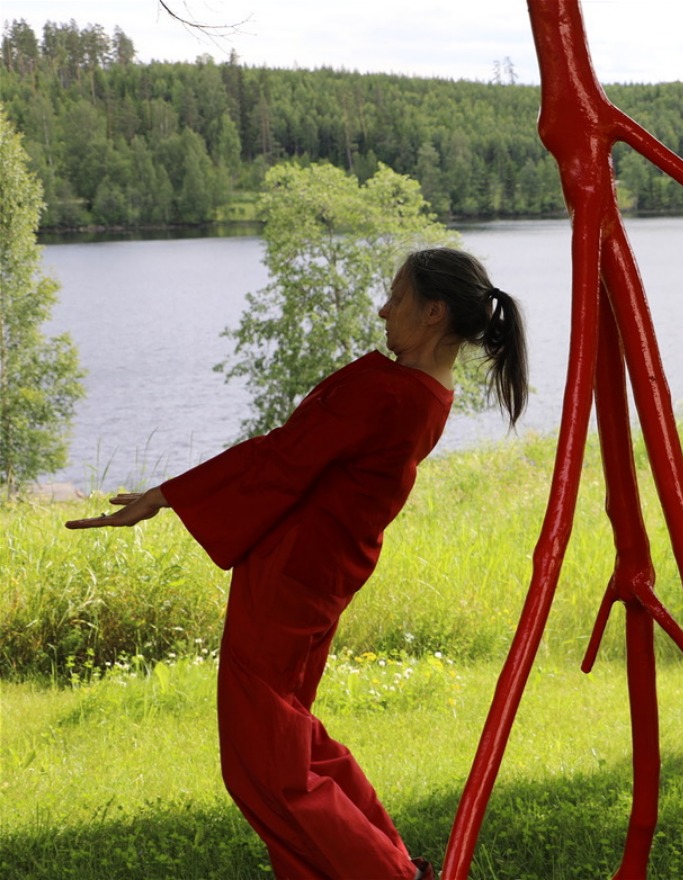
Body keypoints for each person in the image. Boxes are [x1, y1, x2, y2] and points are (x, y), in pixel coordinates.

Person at [66, 247, 528, 880]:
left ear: (433, 312)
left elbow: (284, 458)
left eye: (395, 298)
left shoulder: (387, 390)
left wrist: (168, 494)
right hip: (321, 573)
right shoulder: (428, 391)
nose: (383, 310)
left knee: (266, 763)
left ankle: (388, 876)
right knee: (293, 736)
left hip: (291, 577)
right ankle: (393, 865)